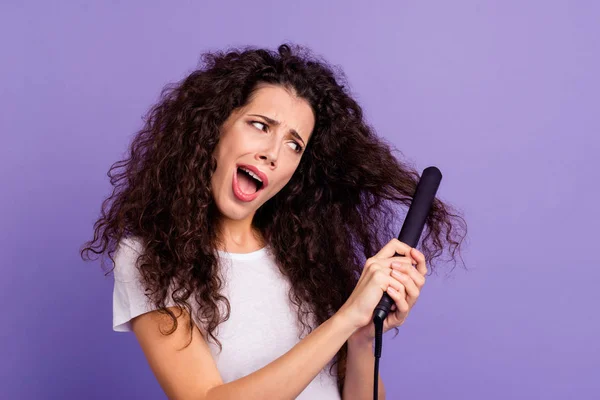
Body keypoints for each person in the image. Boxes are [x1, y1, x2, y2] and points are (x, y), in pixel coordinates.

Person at [80, 43, 467, 399]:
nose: (272, 154)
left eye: (294, 144)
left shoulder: (308, 257)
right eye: (261, 126)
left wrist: (363, 336)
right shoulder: (151, 257)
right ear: (214, 128)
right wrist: (346, 318)